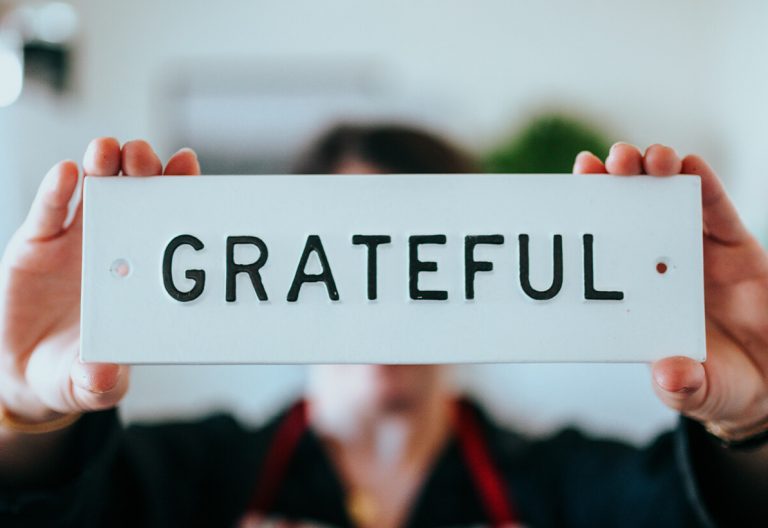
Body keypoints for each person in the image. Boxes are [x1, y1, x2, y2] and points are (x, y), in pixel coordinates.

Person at [0, 124, 766, 528]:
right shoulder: (184, 475)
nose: (388, 300)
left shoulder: (569, 483)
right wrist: (24, 416)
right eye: (355, 245)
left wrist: (756, 423)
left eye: (415, 252)